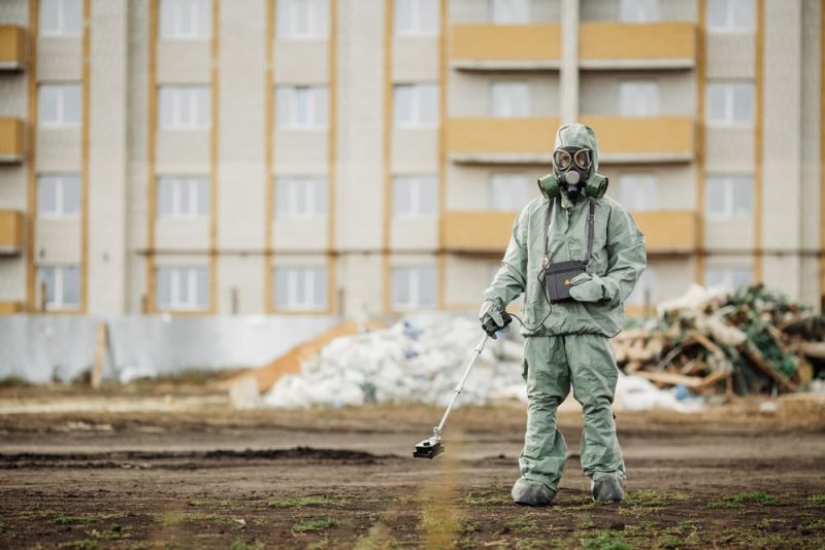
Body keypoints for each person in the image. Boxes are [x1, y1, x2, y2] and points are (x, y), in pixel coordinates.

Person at [478, 123, 646, 506]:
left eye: (581, 158)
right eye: (564, 158)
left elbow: (630, 263)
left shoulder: (611, 214)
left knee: (597, 402)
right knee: (540, 404)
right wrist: (494, 301)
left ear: (593, 162)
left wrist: (600, 287)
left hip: (588, 327)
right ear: (553, 162)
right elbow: (513, 267)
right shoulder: (533, 214)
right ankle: (537, 477)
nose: (572, 168)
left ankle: (606, 475)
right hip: (542, 328)